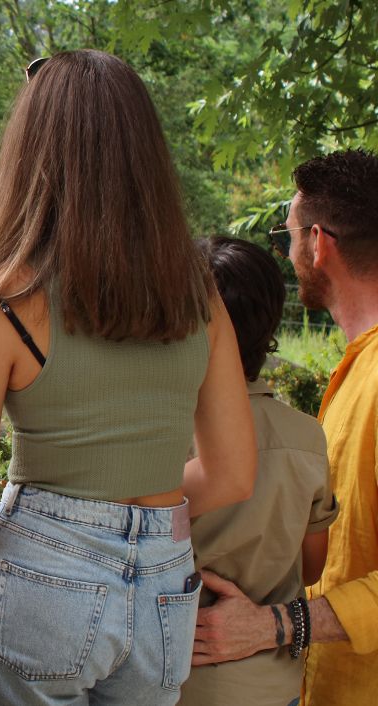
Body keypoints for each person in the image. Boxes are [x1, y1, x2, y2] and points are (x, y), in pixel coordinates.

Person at [0, 49, 256, 706]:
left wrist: (77, 526)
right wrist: (131, 526)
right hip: (168, 586)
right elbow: (231, 474)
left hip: (41, 574)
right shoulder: (199, 296)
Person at [189, 149, 378, 706]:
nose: (286, 249)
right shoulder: (350, 374)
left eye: (285, 234)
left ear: (318, 243)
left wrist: (276, 624)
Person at [176, 237, 337, 706]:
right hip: (270, 685)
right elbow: (312, 568)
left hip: (173, 680)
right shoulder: (307, 438)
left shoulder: (158, 435)